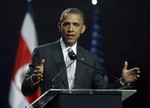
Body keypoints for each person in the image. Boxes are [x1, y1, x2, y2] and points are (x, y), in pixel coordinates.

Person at [21, 8, 140, 96]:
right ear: (59, 27)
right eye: (66, 24)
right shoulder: (42, 52)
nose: (70, 29)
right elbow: (26, 90)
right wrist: (34, 79)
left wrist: (122, 81)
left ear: (82, 29)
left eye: (75, 25)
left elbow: (103, 91)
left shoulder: (90, 58)